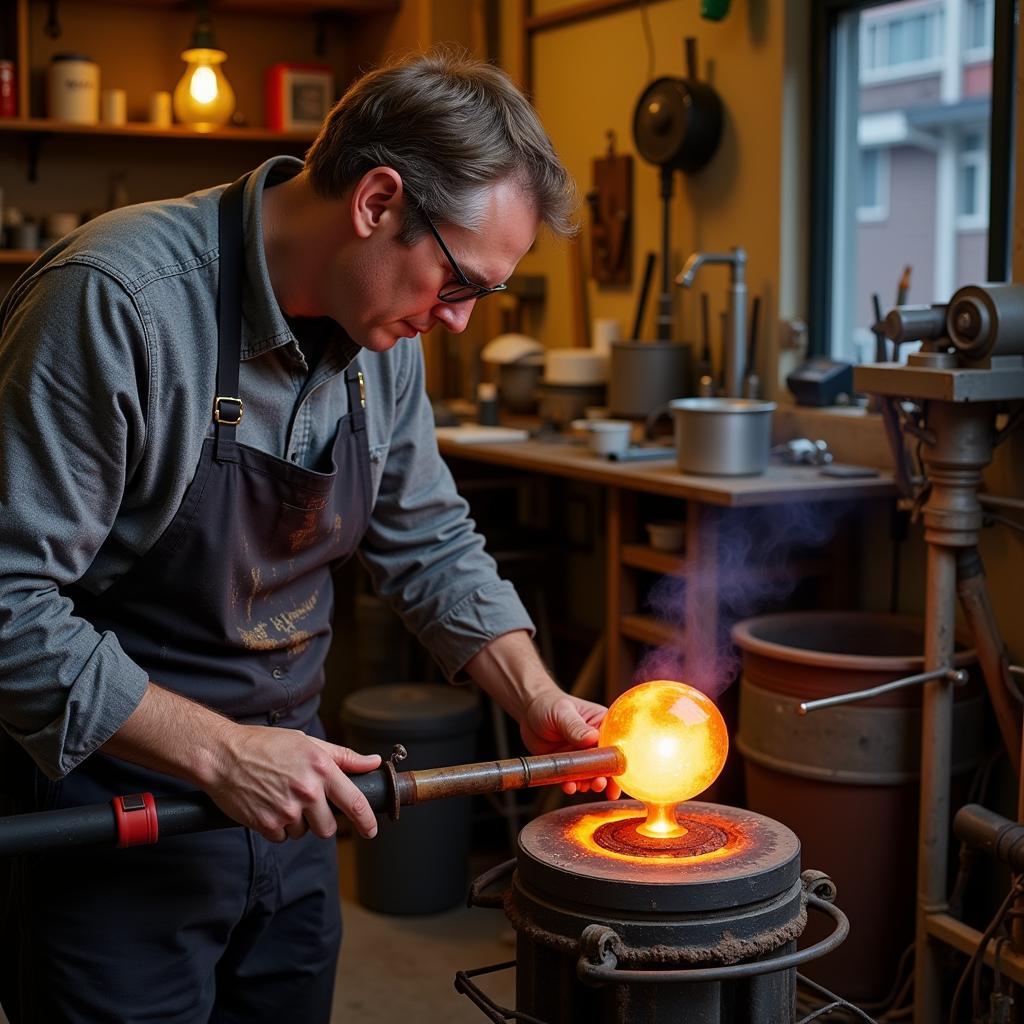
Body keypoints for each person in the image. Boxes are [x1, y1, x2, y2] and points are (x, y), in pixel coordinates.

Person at [0, 48, 613, 1023]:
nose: (457, 321)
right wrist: (222, 754)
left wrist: (536, 697)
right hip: (117, 813)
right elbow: (9, 609)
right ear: (376, 202)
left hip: (293, 804)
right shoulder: (118, 304)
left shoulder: (383, 335)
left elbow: (430, 541)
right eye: (459, 284)